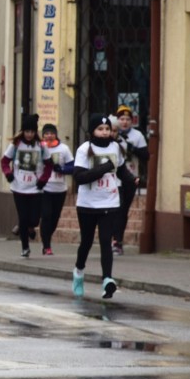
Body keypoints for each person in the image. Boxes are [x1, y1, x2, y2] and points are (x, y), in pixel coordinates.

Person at [71, 114, 137, 299]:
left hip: (110, 201)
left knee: (106, 241)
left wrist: (133, 180)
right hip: (87, 204)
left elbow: (121, 170)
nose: (104, 132)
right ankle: (78, 272)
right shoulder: (85, 149)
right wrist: (104, 167)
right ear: (92, 131)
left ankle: (107, 279)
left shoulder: (115, 147)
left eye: (107, 129)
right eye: (100, 129)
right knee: (86, 241)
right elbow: (80, 177)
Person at [1, 113, 53, 258]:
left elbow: (49, 165)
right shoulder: (16, 145)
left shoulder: (41, 146)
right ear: (23, 131)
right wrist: (8, 174)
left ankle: (30, 227)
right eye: (27, 131)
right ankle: (25, 247)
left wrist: (44, 179)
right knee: (23, 218)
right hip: (19, 188)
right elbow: (4, 161)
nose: (29, 134)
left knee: (35, 219)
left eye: (32, 131)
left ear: (35, 132)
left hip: (36, 189)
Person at [112, 104, 148, 255]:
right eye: (121, 119)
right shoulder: (112, 133)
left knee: (123, 210)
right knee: (117, 209)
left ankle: (118, 240)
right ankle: (115, 240)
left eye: (127, 119)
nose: (124, 122)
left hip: (131, 177)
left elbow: (146, 156)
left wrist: (132, 148)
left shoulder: (137, 135)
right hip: (115, 178)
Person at [39, 123, 74, 256]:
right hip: (45, 188)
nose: (49, 135)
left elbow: (72, 166)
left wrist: (63, 169)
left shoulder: (63, 148)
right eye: (46, 133)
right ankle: (46, 245)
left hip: (60, 189)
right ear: (43, 136)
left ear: (55, 134)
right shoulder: (40, 148)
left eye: (51, 133)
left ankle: (47, 237)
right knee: (46, 216)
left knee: (54, 218)